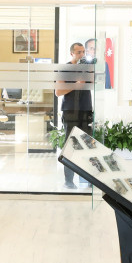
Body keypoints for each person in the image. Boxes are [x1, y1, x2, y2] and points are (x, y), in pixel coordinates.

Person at [55, 41, 94, 188]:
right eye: (79, 52)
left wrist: (89, 70)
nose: (82, 55)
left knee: (88, 146)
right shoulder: (65, 69)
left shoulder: (87, 68)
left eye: (84, 52)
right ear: (72, 53)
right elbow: (58, 92)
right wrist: (76, 85)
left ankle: (89, 181)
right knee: (70, 146)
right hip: (70, 111)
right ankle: (69, 181)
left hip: (86, 110)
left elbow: (94, 83)